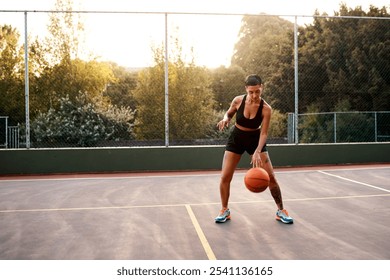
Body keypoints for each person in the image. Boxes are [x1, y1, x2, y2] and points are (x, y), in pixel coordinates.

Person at [215, 74, 293, 224]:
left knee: (271, 177)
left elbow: (264, 133)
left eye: (257, 91)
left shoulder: (266, 109)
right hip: (237, 138)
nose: (255, 95)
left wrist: (258, 151)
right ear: (246, 90)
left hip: (256, 140)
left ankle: (281, 210)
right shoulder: (238, 101)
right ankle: (224, 210)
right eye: (251, 92)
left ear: (261, 88)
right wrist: (225, 119)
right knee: (225, 176)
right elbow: (229, 114)